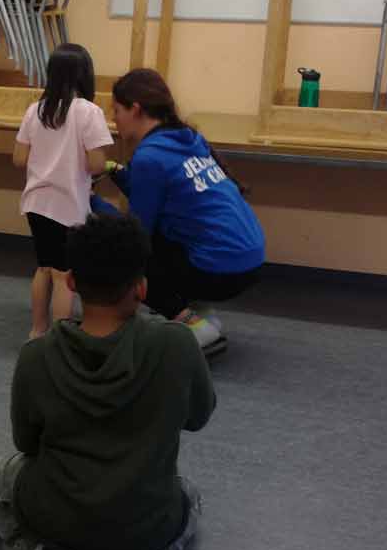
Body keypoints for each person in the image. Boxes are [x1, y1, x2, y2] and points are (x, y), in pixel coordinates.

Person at [0, 212, 214, 550]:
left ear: (71, 282)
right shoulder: (177, 344)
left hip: (55, 518)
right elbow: (198, 416)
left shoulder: (37, 355)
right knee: (189, 496)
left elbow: (26, 443)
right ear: (141, 286)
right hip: (144, 524)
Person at [98, 67, 265, 356]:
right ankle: (201, 314)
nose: (113, 119)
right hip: (250, 261)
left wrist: (88, 203)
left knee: (126, 253)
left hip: (221, 270)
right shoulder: (185, 139)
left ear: (135, 109)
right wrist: (114, 170)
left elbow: (134, 233)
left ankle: (190, 323)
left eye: (116, 110)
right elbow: (155, 193)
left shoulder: (150, 157)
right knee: (167, 236)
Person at [13, 43, 114, 338]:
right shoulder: (89, 112)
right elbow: (96, 164)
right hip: (67, 205)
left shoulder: (36, 110)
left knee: (44, 268)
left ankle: (37, 331)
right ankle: (60, 339)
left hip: (35, 202)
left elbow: (19, 158)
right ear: (86, 75)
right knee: (63, 275)